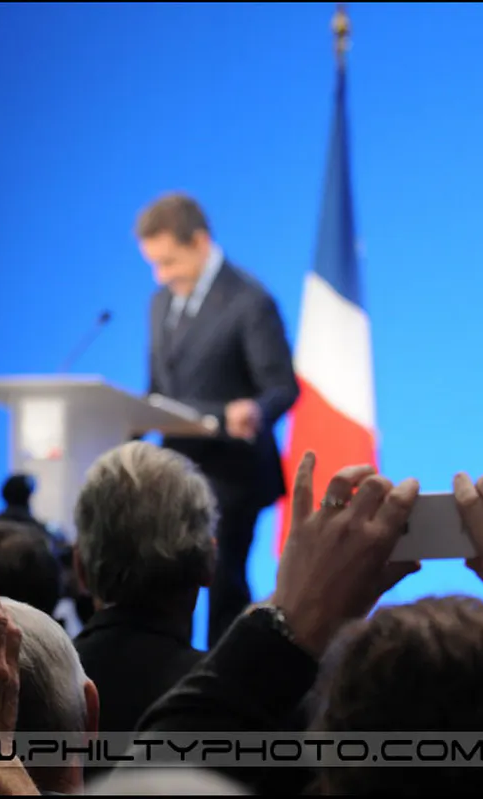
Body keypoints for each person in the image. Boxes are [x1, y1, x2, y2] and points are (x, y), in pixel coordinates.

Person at [137, 192, 299, 646]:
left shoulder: (249, 301)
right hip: (177, 471)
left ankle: (225, 686)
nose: (161, 275)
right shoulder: (159, 303)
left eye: (169, 262)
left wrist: (256, 411)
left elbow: (282, 387)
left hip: (233, 474)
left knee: (224, 581)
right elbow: (158, 389)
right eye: (154, 264)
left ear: (200, 243)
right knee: (171, 583)